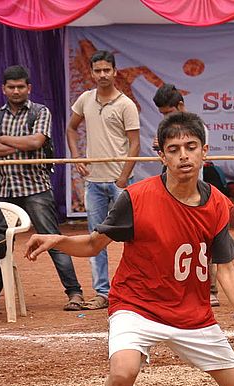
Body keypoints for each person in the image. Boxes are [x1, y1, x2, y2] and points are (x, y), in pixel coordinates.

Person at [25, 112, 234, 386]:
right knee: (123, 372)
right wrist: (57, 239)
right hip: (136, 305)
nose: (183, 156)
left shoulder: (218, 204)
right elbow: (94, 244)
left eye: (191, 147)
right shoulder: (136, 199)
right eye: (174, 149)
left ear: (205, 152)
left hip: (192, 314)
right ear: (162, 156)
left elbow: (225, 269)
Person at [0, 64, 86, 311]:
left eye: (21, 86)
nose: (16, 91)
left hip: (36, 187)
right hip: (3, 190)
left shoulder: (40, 111)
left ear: (29, 88)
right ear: (4, 89)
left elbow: (37, 141)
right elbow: (26, 143)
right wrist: (23, 145)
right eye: (11, 87)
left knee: (53, 240)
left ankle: (74, 292)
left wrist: (5, 141)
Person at [67, 50, 140, 311]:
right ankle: (102, 292)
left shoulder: (125, 104)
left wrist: (123, 176)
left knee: (132, 237)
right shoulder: (85, 100)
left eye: (106, 70)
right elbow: (71, 128)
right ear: (92, 73)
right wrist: (77, 157)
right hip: (94, 182)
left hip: (120, 182)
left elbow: (134, 143)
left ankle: (133, 290)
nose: (102, 75)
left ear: (115, 71)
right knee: (96, 238)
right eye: (97, 70)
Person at [152, 83, 221, 309]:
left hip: (194, 190)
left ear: (180, 106)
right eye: (162, 114)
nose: (165, 117)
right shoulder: (168, 130)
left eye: (169, 113)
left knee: (204, 241)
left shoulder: (196, 127)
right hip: (171, 191)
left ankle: (209, 289)